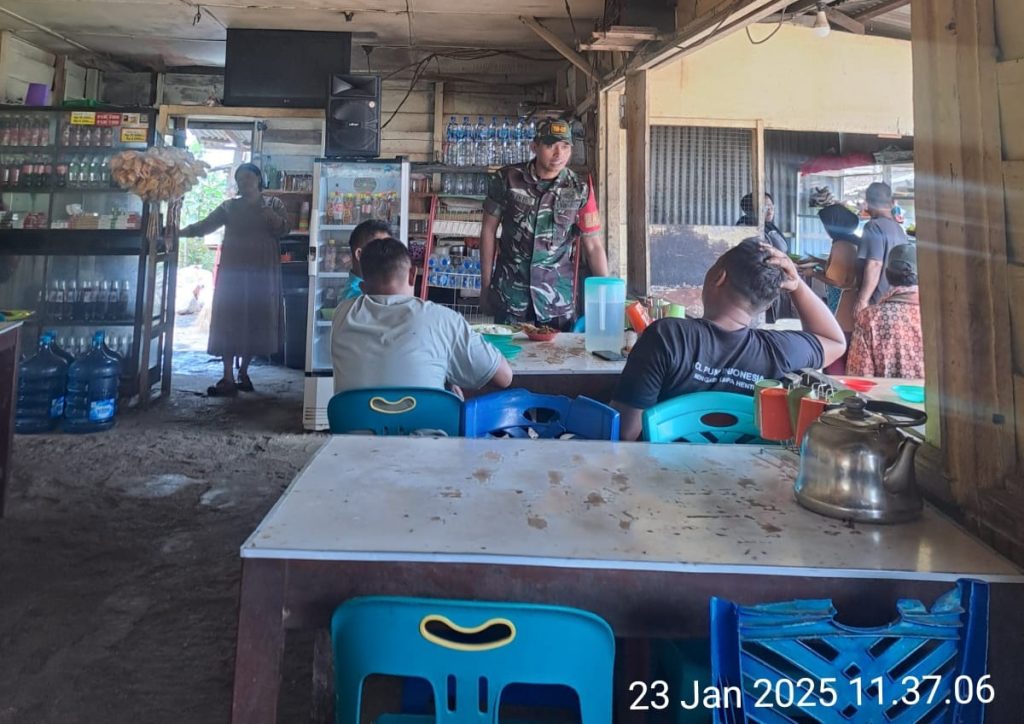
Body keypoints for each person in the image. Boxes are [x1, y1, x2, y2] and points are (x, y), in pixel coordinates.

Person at [611, 239, 846, 441]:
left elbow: (625, 432)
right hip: (747, 476)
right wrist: (798, 287)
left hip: (662, 475)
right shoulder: (780, 351)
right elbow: (835, 341)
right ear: (767, 303)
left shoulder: (667, 337)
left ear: (719, 276)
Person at [331, 237, 513, 394]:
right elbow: (504, 377)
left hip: (353, 423)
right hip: (426, 424)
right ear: (413, 275)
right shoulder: (443, 319)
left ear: (363, 288)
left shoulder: (342, 314)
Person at [480, 118, 609, 332]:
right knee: (509, 352)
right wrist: (485, 287)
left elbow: (593, 245)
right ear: (535, 146)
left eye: (565, 146)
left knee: (557, 353)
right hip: (511, 295)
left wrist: (607, 297)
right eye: (551, 146)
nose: (559, 154)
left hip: (556, 300)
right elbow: (488, 231)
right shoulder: (507, 179)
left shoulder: (580, 189)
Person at [179, 163, 289, 397]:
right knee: (228, 319)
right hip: (234, 271)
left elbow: (283, 229)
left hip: (262, 271)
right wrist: (179, 232)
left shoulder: (274, 204)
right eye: (240, 179)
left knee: (256, 319)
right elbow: (205, 225)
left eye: (249, 177)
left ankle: (244, 373)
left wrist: (265, 210)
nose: (244, 182)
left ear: (259, 179)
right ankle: (227, 376)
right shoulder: (228, 207)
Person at [847, 243, 923, 378]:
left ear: (887, 275)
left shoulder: (869, 317)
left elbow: (860, 376)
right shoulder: (941, 316)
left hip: (886, 392)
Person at [853, 182, 907, 318]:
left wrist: (862, 300)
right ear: (890, 202)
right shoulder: (899, 229)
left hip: (877, 301)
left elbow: (875, 264)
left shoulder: (873, 226)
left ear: (869, 202)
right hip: (895, 299)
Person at [737, 191, 791, 321]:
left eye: (771, 206)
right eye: (765, 207)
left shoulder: (769, 225)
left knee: (775, 320)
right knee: (762, 319)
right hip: (759, 283)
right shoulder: (746, 226)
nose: (770, 210)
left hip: (776, 280)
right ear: (751, 209)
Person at [344, 219, 392, 300]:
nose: (388, 257)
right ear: (359, 254)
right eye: (381, 249)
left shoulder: (375, 287)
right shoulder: (355, 298)